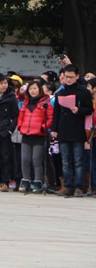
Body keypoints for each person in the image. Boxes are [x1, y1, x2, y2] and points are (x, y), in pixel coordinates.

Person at [51, 60, 93, 197]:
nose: (68, 79)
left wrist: (78, 110)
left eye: (71, 77)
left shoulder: (83, 91)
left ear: (76, 76)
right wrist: (54, 129)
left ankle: (79, 187)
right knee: (65, 161)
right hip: (63, 129)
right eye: (66, 76)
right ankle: (67, 186)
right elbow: (56, 113)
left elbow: (90, 109)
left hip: (78, 130)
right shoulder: (60, 92)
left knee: (78, 160)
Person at [17, 78, 52, 193]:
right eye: (30, 89)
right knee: (25, 159)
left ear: (40, 89)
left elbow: (50, 117)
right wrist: (20, 126)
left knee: (36, 160)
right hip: (26, 134)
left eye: (35, 88)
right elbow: (21, 115)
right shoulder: (26, 102)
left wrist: (43, 127)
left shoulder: (46, 102)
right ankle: (25, 180)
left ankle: (38, 181)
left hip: (39, 135)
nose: (32, 91)